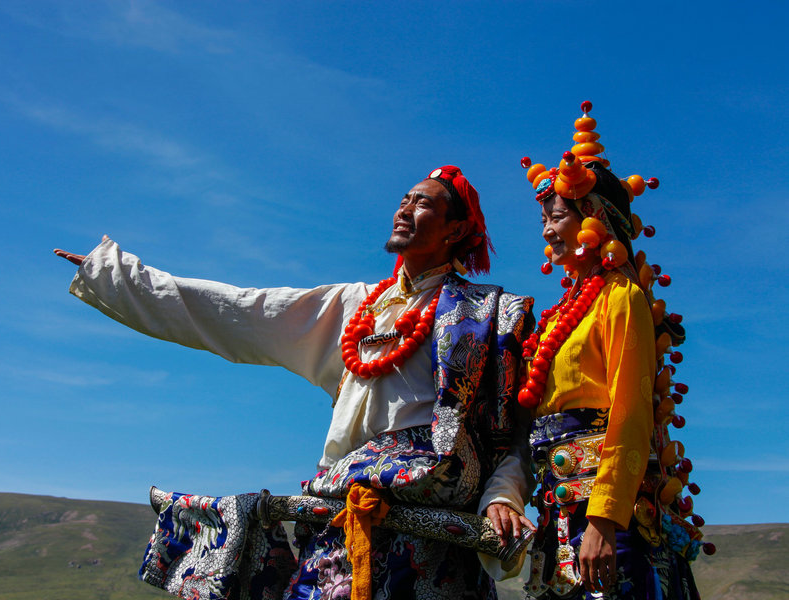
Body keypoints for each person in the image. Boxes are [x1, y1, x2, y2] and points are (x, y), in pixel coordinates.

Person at [54, 165, 536, 600]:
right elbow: (241, 310)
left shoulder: (489, 314)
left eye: (424, 202)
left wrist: (503, 496)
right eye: (405, 199)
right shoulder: (356, 306)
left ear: (456, 229)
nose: (405, 209)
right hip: (340, 522)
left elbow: (514, 431)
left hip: (430, 537)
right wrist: (117, 277)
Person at [516, 102, 706, 600]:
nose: (546, 231)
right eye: (544, 218)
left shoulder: (621, 296)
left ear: (594, 219)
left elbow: (630, 411)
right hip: (560, 507)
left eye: (556, 216)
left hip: (605, 513)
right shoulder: (559, 314)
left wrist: (604, 514)